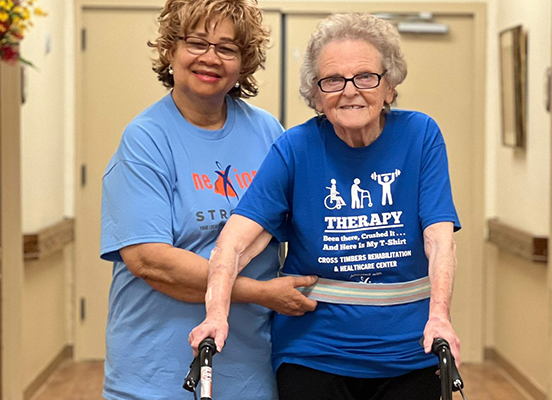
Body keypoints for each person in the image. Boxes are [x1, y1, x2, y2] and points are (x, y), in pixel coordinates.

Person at [191, 12, 462, 400]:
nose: (350, 90)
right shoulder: (295, 148)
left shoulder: (420, 136)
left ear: (390, 86)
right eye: (332, 80)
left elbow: (439, 238)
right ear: (316, 96)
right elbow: (234, 243)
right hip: (314, 352)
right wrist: (216, 313)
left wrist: (440, 316)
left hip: (409, 350)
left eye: (366, 77)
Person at [99, 1, 317, 399]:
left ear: (243, 61)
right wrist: (259, 292)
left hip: (250, 371)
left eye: (227, 48)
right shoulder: (146, 139)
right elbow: (150, 261)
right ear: (171, 50)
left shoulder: (267, 132)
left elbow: (303, 224)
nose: (210, 58)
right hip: (157, 374)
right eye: (197, 42)